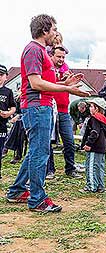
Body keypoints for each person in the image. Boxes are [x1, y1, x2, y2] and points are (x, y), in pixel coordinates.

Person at [6, 14, 89, 212]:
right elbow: (35, 83)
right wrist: (68, 90)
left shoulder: (40, 51)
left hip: (40, 105)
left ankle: (17, 190)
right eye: (53, 29)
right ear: (45, 31)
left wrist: (64, 84)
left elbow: (42, 84)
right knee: (40, 152)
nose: (55, 33)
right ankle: (37, 200)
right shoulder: (34, 49)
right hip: (37, 107)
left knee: (36, 150)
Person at [49, 45, 82, 178]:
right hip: (50, 109)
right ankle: (50, 170)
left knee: (69, 141)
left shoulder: (66, 69)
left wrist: (70, 81)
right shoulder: (48, 69)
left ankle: (70, 168)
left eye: (63, 57)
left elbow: (70, 85)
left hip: (63, 110)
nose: (61, 59)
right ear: (52, 55)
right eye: (59, 56)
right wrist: (63, 81)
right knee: (48, 142)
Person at [80, 97, 106, 193]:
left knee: (91, 166)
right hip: (102, 148)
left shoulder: (94, 119)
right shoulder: (104, 120)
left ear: (97, 108)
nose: (89, 108)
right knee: (100, 167)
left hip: (94, 147)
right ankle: (100, 186)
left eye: (91, 106)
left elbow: (94, 132)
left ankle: (91, 186)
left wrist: (88, 144)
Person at [0, 64, 17, 178]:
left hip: (1, 125)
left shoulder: (8, 91)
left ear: (6, 76)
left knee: (0, 149)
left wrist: (9, 113)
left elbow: (13, 107)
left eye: (1, 75)